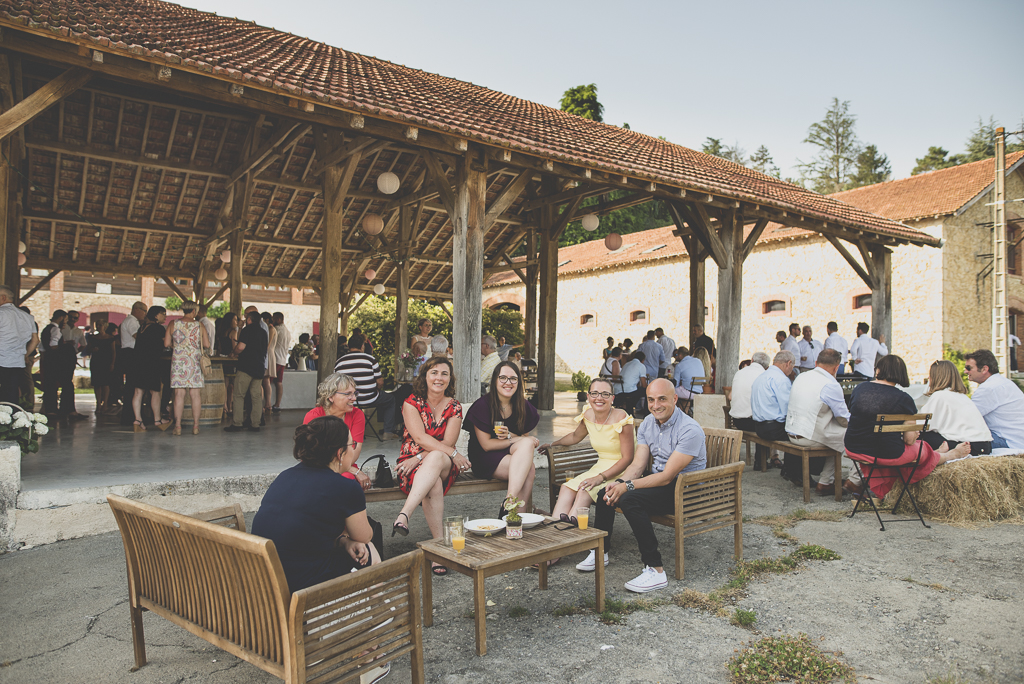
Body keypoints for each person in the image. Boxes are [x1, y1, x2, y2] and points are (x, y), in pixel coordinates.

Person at [591, 378, 706, 592]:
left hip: (685, 490)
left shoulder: (689, 429)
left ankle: (655, 570)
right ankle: (600, 552)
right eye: (651, 400)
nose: (655, 405)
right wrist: (619, 483)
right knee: (605, 494)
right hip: (661, 484)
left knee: (629, 499)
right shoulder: (647, 424)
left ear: (674, 399)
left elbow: (667, 477)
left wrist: (628, 487)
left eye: (662, 399)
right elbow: (638, 464)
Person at [251, 416, 381, 592]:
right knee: (367, 548)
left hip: (265, 577)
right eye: (352, 445)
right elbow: (364, 536)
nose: (355, 448)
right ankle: (378, 611)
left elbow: (307, 530)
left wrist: (343, 541)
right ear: (339, 453)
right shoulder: (347, 487)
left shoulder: (286, 476)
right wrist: (350, 538)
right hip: (299, 586)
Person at [844, 355, 969, 499]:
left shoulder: (860, 389)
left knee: (896, 447)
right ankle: (948, 455)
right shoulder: (904, 399)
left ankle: (938, 453)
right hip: (886, 454)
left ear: (877, 370)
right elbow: (909, 440)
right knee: (922, 448)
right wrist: (915, 433)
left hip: (853, 448)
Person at [392, 357, 467, 575]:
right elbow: (419, 437)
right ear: (425, 376)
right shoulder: (411, 403)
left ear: (449, 379)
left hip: (441, 462)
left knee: (435, 458)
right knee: (432, 484)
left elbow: (447, 444)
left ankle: (405, 514)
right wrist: (452, 454)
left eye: (444, 374)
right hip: (411, 466)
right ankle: (439, 550)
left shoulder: (454, 406)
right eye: (434, 372)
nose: (439, 378)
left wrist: (420, 457)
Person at [539, 378, 634, 522]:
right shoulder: (588, 415)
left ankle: (570, 533)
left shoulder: (621, 418)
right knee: (567, 488)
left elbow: (627, 458)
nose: (599, 398)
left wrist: (600, 477)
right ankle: (556, 530)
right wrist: (552, 444)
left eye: (605, 394)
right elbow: (575, 436)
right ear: (588, 396)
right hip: (600, 466)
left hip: (623, 470)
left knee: (584, 491)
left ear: (612, 398)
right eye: (594, 393)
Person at [464, 361, 539, 515]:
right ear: (495, 381)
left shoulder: (523, 406)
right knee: (529, 469)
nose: (508, 382)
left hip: (510, 453)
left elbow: (523, 442)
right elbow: (486, 445)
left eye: (513, 378)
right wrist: (516, 439)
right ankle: (517, 517)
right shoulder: (483, 405)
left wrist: (512, 436)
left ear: (518, 382)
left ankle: (510, 504)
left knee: (527, 461)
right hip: (484, 458)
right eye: (503, 378)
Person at [785, 349, 849, 494]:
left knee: (836, 433)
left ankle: (828, 479)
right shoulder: (831, 384)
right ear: (836, 367)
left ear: (816, 363)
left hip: (791, 432)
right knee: (849, 433)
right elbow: (844, 419)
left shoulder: (801, 376)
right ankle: (834, 481)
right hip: (808, 437)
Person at [304, 373, 371, 489]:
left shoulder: (357, 415)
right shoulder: (314, 416)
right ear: (330, 396)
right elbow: (311, 454)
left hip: (346, 465)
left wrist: (349, 469)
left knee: (346, 479)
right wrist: (355, 471)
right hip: (317, 466)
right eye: (348, 394)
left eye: (354, 393)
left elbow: (354, 452)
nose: (354, 398)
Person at [919, 360, 992, 456]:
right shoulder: (962, 396)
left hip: (969, 446)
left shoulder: (940, 395)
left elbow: (921, 425)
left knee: (918, 436)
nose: (929, 378)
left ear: (936, 377)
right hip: (984, 446)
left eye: (931, 375)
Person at [335, 333, 399, 440]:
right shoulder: (370, 359)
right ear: (362, 346)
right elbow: (380, 382)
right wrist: (375, 390)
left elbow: (335, 383)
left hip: (348, 400)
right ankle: (388, 432)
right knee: (391, 400)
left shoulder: (340, 361)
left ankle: (345, 431)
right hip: (370, 398)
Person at [964, 349, 1024, 450]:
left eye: (969, 368)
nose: (965, 371)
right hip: (1018, 440)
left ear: (984, 369)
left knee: (954, 439)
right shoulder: (1004, 382)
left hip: (1007, 441)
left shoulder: (989, 388)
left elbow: (966, 418)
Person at [751, 350, 796, 482]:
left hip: (758, 427)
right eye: (792, 367)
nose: (791, 371)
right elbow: (788, 409)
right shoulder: (781, 379)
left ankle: (787, 469)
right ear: (788, 363)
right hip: (773, 429)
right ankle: (792, 471)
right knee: (799, 433)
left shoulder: (761, 376)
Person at [165, 300, 208, 436]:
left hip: (178, 362)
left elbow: (166, 343)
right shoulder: (199, 325)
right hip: (194, 361)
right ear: (194, 311)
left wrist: (177, 346)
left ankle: (177, 427)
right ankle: (195, 426)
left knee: (179, 395)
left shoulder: (173, 324)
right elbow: (206, 344)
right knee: (195, 395)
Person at [225, 309, 268, 433]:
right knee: (256, 396)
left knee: (239, 395)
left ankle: (237, 423)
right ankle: (255, 424)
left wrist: (234, 353)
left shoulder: (247, 330)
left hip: (246, 366)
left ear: (249, 319)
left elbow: (240, 347)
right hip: (259, 366)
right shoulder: (263, 332)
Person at [132, 306, 171, 432]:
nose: (165, 317)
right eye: (163, 314)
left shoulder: (142, 327)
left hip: (138, 362)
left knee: (138, 391)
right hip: (152, 362)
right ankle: (158, 419)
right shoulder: (158, 328)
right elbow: (166, 343)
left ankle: (137, 420)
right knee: (155, 391)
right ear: (156, 315)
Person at [729, 351, 770, 467]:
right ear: (767, 367)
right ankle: (761, 461)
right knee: (767, 423)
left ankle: (762, 460)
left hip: (736, 420)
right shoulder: (764, 375)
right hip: (751, 422)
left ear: (752, 360)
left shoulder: (739, 373)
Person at [0, 285, 37, 406]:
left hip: (1, 359)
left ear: (3, 298)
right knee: (12, 393)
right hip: (17, 361)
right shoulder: (28, 317)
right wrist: (25, 354)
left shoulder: (1, 313)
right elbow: (35, 340)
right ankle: (11, 421)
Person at [119, 301, 148, 425]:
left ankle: (132, 414)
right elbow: (138, 337)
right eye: (144, 311)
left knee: (132, 385)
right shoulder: (131, 321)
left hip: (129, 354)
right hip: (130, 354)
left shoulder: (133, 321)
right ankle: (130, 415)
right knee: (132, 386)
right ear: (137, 309)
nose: (145, 314)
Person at [60, 311, 88, 420]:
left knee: (68, 382)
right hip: (61, 357)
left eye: (75, 318)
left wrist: (75, 351)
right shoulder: (62, 328)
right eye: (70, 317)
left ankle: (67, 409)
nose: (72, 319)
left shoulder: (78, 331)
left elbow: (84, 344)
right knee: (64, 382)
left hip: (71, 357)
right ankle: (66, 409)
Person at [40, 310, 68, 418]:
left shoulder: (46, 329)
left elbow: (42, 348)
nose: (65, 322)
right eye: (65, 319)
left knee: (48, 384)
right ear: (61, 318)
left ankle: (48, 407)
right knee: (52, 384)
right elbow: (53, 345)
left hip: (46, 360)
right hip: (54, 361)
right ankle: (52, 409)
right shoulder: (56, 329)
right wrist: (65, 347)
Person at [88, 323, 118, 414]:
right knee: (97, 383)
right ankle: (98, 404)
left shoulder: (111, 338)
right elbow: (88, 349)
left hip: (106, 361)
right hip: (96, 361)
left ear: (105, 327)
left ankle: (105, 403)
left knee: (106, 383)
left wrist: (112, 363)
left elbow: (113, 351)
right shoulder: (93, 338)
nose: (99, 327)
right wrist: (93, 350)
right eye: (98, 325)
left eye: (101, 325)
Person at [216, 312, 240, 416]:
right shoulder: (233, 331)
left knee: (225, 385)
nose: (236, 322)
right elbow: (234, 347)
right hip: (231, 360)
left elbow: (220, 348)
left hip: (223, 358)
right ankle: (229, 407)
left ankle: (224, 405)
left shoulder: (221, 331)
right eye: (235, 320)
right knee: (233, 385)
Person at [613, 350, 647, 415]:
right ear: (643, 360)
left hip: (617, 390)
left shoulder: (627, 364)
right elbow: (644, 385)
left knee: (636, 390)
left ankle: (629, 406)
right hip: (627, 391)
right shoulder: (641, 366)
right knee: (647, 392)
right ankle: (645, 413)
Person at [271, 312, 291, 413]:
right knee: (279, 382)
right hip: (283, 360)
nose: (272, 321)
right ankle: (277, 404)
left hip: (274, 359)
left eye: (273, 319)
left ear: (278, 319)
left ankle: (266, 404)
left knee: (267, 382)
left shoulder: (276, 330)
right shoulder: (287, 331)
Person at [260, 312, 277, 416]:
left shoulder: (271, 329)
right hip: (269, 353)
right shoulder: (271, 328)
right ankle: (267, 403)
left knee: (265, 380)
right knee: (266, 380)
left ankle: (268, 403)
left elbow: (268, 343)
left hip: (268, 354)